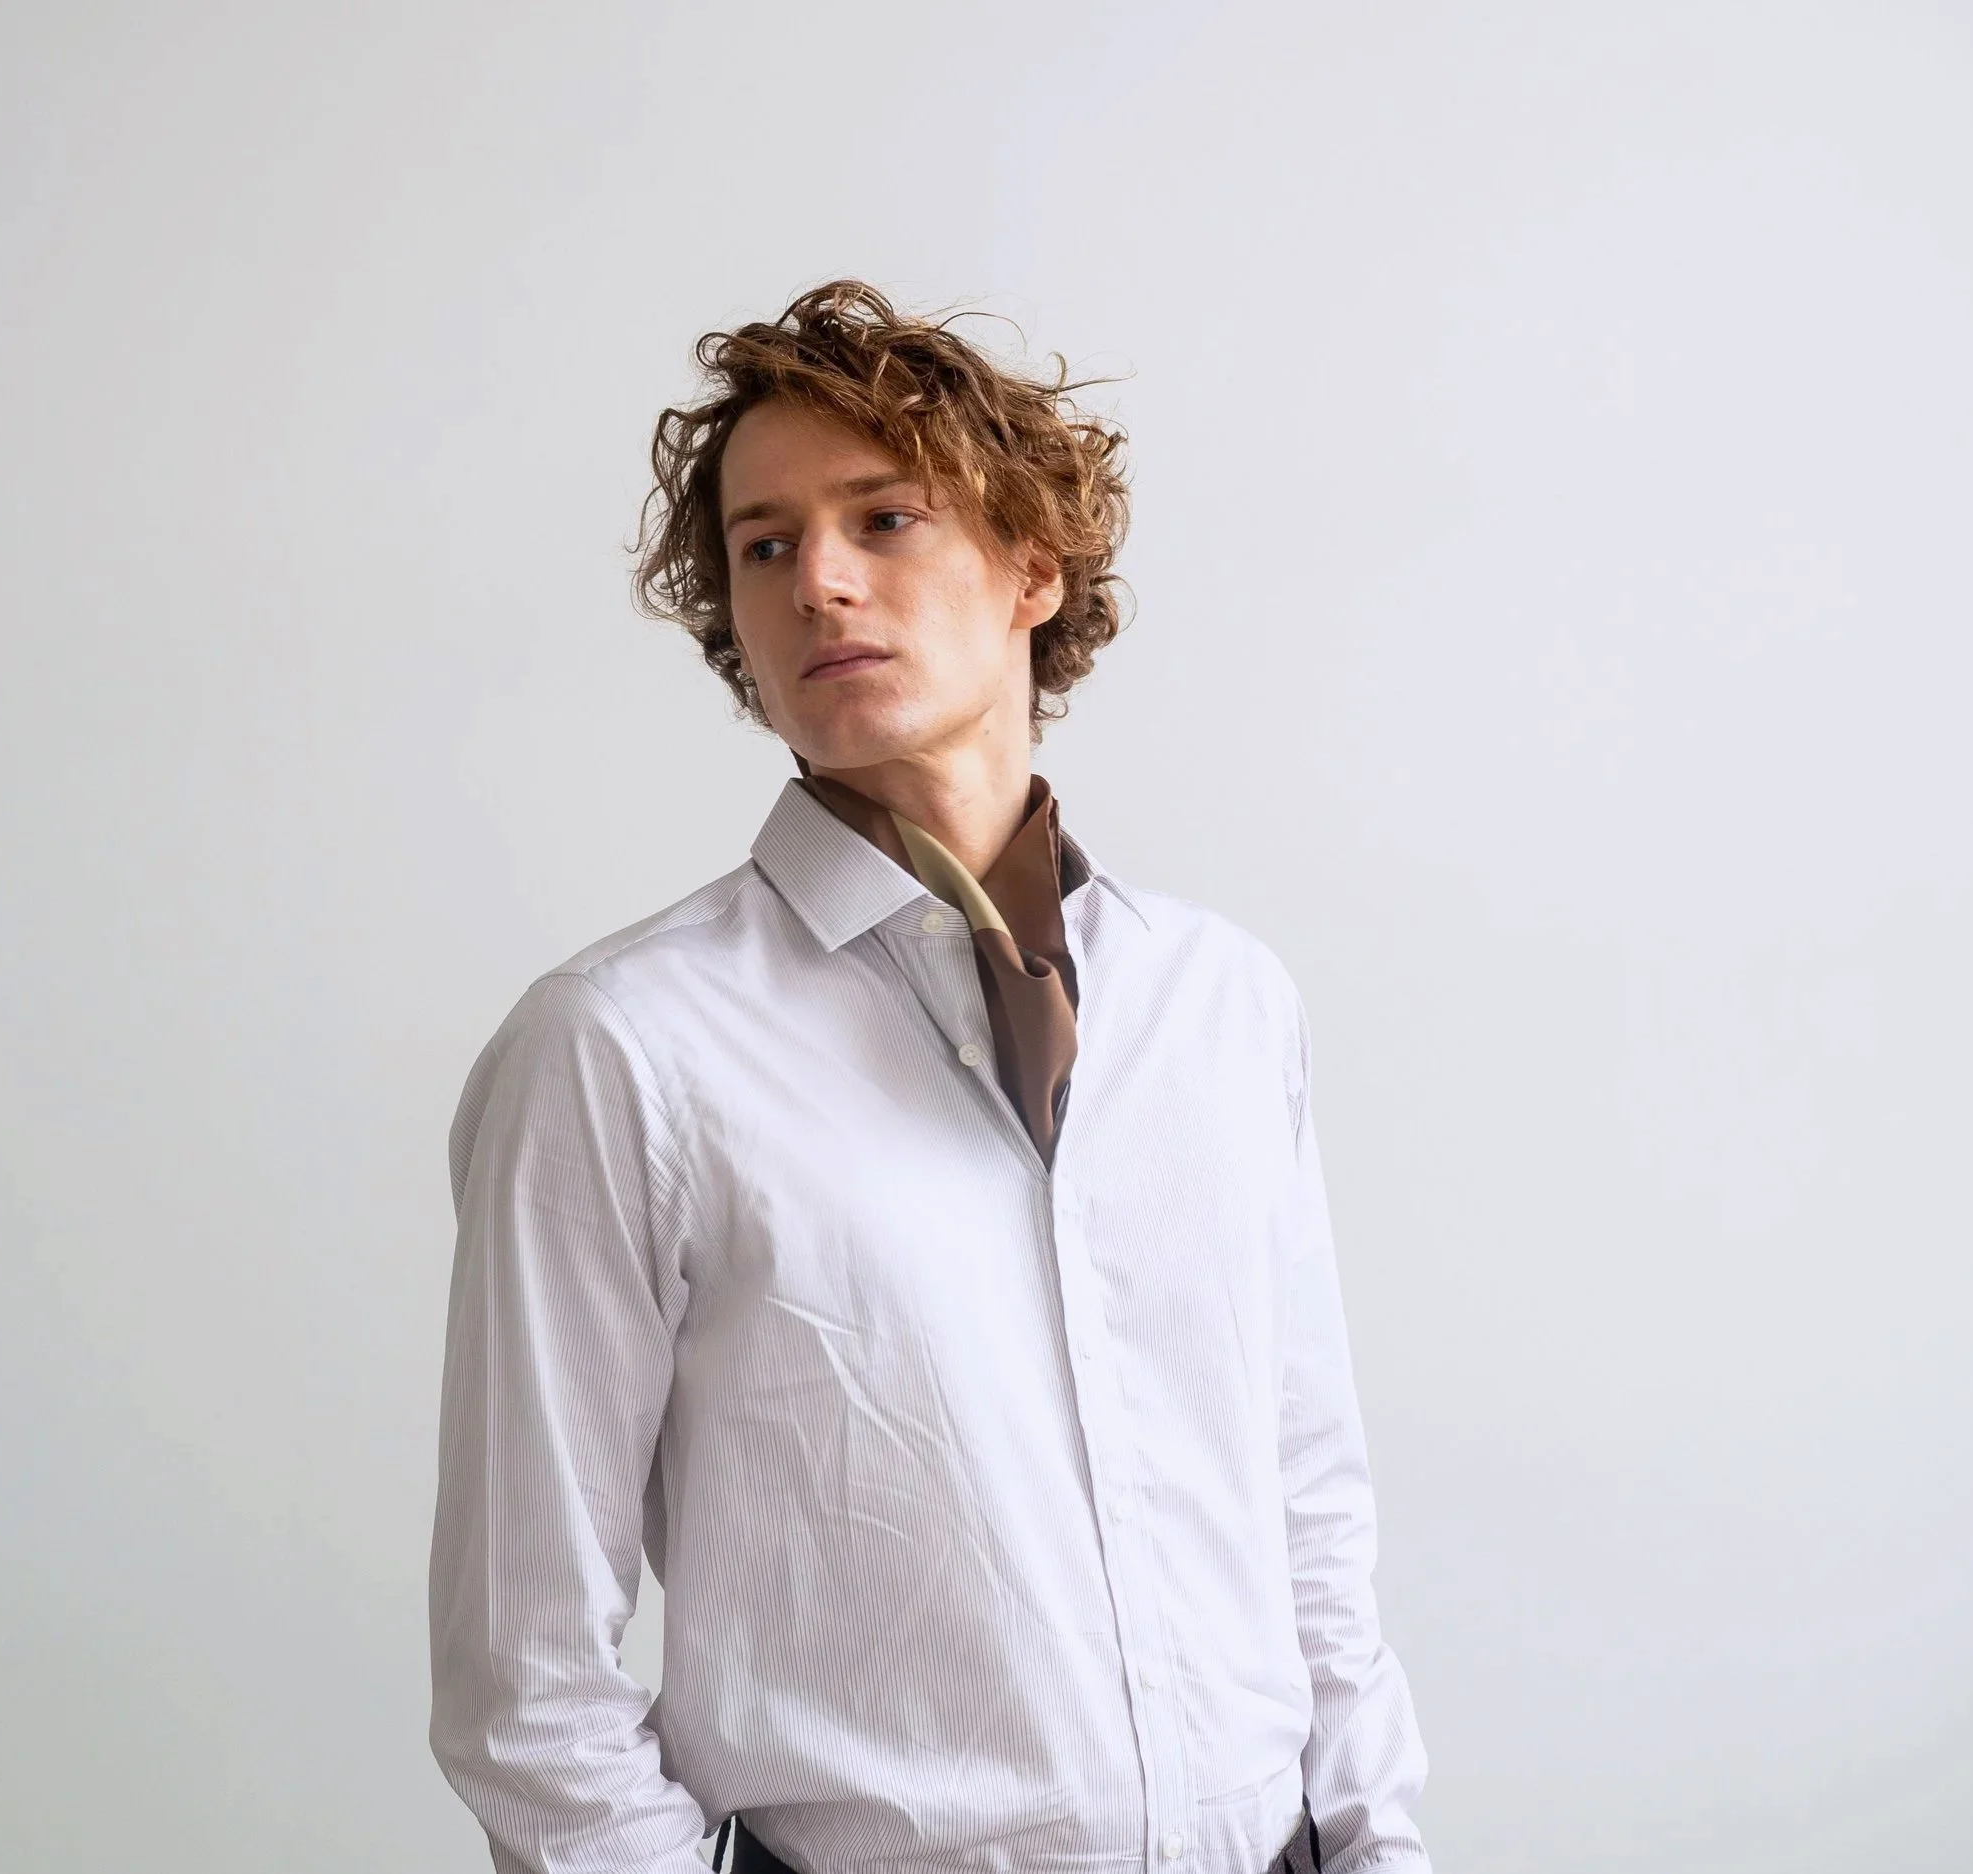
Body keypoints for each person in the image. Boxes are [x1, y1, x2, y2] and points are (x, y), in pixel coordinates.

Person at [429, 281, 1430, 1874]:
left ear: (1033, 566)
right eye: (764, 546)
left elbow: (1305, 1509)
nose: (818, 580)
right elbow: (524, 1666)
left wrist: (1378, 1845)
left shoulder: (1222, 1002)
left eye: (882, 518)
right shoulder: (620, 1045)